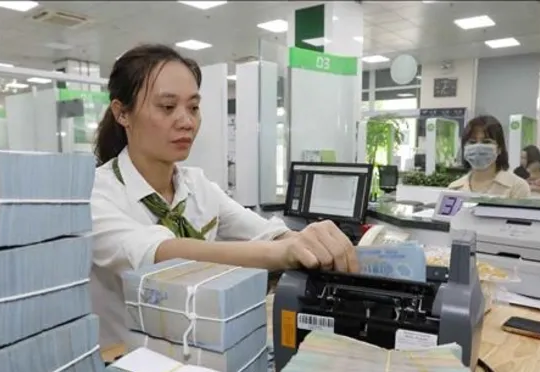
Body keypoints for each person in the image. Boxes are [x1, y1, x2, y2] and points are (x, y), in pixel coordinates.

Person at [90, 44, 357, 346]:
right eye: (167, 107)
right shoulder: (98, 194)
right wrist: (284, 252)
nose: (186, 121)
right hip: (128, 362)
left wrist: (308, 241)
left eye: (193, 108)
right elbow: (160, 255)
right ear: (122, 113)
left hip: (201, 352)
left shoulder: (196, 185)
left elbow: (264, 232)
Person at [448, 115, 531, 198]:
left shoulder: (517, 187)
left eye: (486, 142)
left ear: (499, 148)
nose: (478, 147)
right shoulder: (454, 189)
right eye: (472, 142)